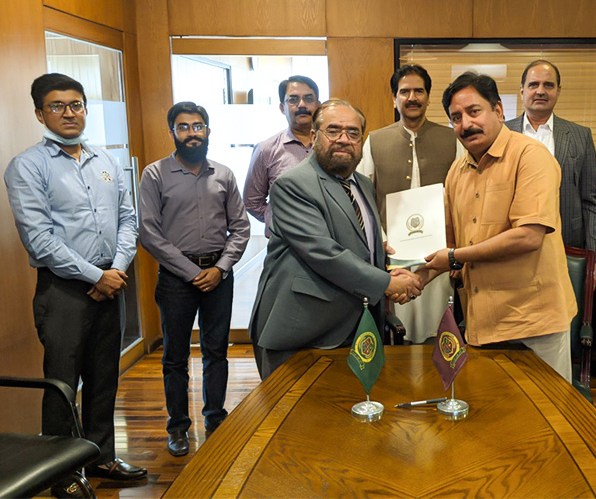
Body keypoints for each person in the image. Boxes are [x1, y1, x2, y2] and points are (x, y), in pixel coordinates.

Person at [4, 73, 146, 496]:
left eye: (77, 104)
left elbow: (127, 219)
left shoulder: (104, 160)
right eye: (57, 106)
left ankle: (101, 458)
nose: (69, 113)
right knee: (63, 383)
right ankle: (61, 472)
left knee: (105, 376)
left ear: (86, 108)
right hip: (64, 289)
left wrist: (115, 270)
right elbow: (39, 239)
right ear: (39, 113)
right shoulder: (27, 166)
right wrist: (95, 276)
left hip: (112, 282)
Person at [417, 72, 577, 382]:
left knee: (547, 418)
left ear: (499, 111)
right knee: (495, 417)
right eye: (456, 117)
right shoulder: (456, 172)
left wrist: (453, 257)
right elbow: (450, 244)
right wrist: (417, 277)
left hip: (534, 323)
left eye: (474, 111)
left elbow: (528, 237)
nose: (465, 124)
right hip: (482, 322)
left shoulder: (530, 157)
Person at [248, 99, 422, 379]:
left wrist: (386, 269)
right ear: (314, 136)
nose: (344, 139)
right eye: (334, 130)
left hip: (356, 327)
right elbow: (324, 253)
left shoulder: (362, 184)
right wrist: (387, 283)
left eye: (353, 133)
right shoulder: (292, 185)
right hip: (305, 331)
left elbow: (358, 244)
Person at [138, 102, 250, 457]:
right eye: (183, 127)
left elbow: (241, 228)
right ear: (171, 132)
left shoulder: (225, 175)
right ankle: (178, 428)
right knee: (174, 356)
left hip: (218, 275)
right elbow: (150, 233)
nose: (192, 133)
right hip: (176, 279)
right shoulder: (155, 175)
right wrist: (191, 273)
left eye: (198, 126)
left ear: (208, 130)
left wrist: (220, 268)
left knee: (216, 351)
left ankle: (216, 419)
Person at [356, 64, 463, 343]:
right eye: (404, 91)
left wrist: (456, 250)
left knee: (438, 333)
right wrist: (378, 241)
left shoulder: (452, 139)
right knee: (397, 334)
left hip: (438, 256)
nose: (412, 97)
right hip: (392, 255)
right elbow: (362, 197)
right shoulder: (375, 141)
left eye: (419, 91)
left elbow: (463, 198)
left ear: (428, 97)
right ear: (394, 98)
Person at [505, 59, 596, 286]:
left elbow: (591, 202)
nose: (540, 91)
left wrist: (595, 258)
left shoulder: (580, 136)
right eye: (533, 85)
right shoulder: (501, 133)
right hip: (511, 248)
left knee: (563, 319)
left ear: (558, 91)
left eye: (548, 85)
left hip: (566, 247)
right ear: (522, 91)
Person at [243, 75, 321, 236]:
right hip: (283, 245)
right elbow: (252, 201)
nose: (301, 105)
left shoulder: (332, 147)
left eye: (308, 98)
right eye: (293, 100)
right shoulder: (266, 149)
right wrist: (278, 220)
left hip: (329, 241)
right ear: (281, 107)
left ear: (318, 105)